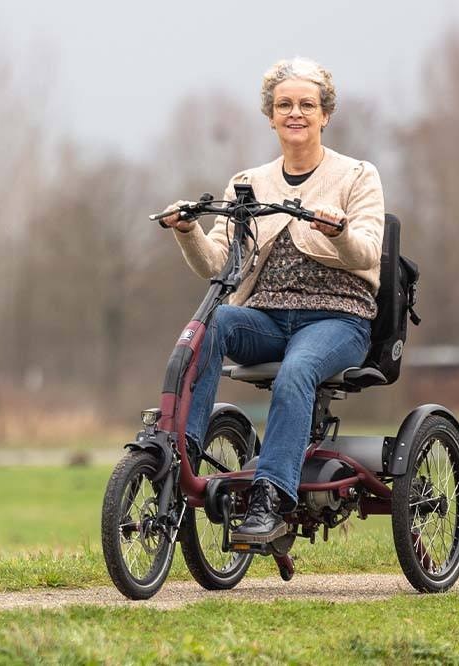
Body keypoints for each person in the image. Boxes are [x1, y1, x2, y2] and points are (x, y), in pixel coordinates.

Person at [160, 57, 384, 544]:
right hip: (267, 317)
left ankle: (272, 499)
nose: (295, 113)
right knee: (213, 324)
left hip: (339, 319)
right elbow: (219, 264)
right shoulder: (250, 183)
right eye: (285, 105)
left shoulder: (358, 176)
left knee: (296, 372)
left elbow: (367, 250)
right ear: (270, 116)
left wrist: (337, 231)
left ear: (326, 114)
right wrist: (187, 231)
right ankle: (182, 455)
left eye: (307, 104)